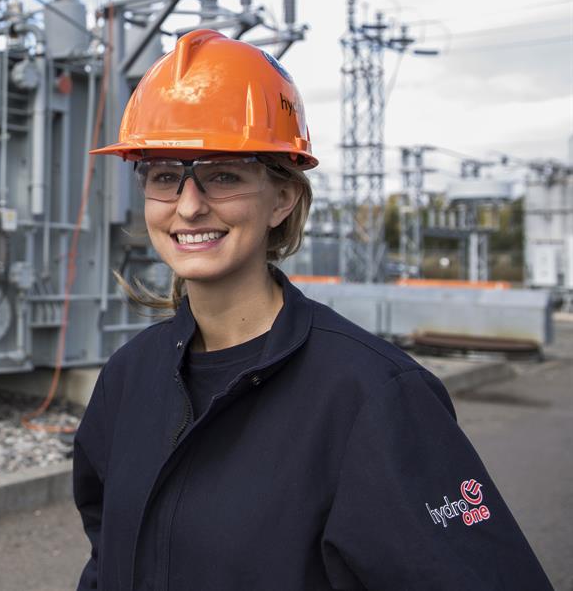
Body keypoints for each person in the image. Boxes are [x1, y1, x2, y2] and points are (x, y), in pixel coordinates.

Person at [73, 29, 552, 591]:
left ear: (283, 198)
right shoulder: (129, 379)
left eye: (224, 174)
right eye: (165, 177)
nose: (190, 205)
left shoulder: (374, 397)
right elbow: (107, 562)